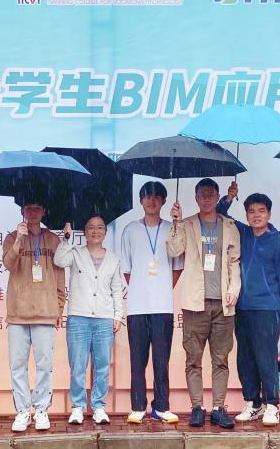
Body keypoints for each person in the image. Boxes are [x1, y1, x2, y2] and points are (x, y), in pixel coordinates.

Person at [216, 183, 280, 426]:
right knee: (245, 357)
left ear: (269, 213)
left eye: (261, 211)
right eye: (251, 211)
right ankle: (253, 403)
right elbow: (220, 213)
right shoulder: (242, 233)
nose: (256, 215)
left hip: (267, 309)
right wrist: (229, 197)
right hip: (242, 307)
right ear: (246, 214)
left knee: (266, 357)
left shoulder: (278, 241)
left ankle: (272, 405)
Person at [167, 178, 241, 429]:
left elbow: (234, 262)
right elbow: (174, 251)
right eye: (202, 194)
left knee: (221, 359)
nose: (207, 198)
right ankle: (197, 407)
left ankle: (219, 408)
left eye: (211, 194)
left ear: (218, 197)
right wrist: (176, 222)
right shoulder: (187, 224)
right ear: (196, 198)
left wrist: (234, 290)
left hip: (223, 304)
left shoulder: (229, 225)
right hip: (194, 303)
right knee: (193, 359)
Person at [120, 181, 182, 424]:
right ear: (141, 200)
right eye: (147, 196)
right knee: (137, 360)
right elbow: (127, 270)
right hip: (137, 307)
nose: (152, 201)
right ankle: (137, 407)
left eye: (157, 197)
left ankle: (161, 407)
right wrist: (142, 288)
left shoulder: (172, 229)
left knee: (161, 360)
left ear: (164, 201)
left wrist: (161, 288)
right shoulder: (130, 230)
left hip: (163, 307)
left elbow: (177, 267)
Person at [2, 197, 65, 432]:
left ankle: (40, 410)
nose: (33, 212)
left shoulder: (53, 239)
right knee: (17, 365)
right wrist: (19, 239)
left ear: (44, 211)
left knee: (44, 365)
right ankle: (22, 411)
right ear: (22, 211)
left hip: (45, 311)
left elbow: (60, 276)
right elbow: (9, 264)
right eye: (29, 208)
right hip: (17, 312)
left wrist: (59, 308)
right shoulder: (12, 237)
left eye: (37, 208)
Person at [56, 216, 124, 426]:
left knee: (102, 365)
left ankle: (98, 406)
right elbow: (59, 260)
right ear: (84, 232)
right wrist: (66, 238)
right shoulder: (76, 254)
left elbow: (117, 289)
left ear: (105, 232)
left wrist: (118, 315)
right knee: (78, 365)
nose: (96, 231)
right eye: (91, 228)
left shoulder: (113, 259)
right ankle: (77, 406)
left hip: (104, 318)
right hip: (79, 317)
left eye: (100, 227)